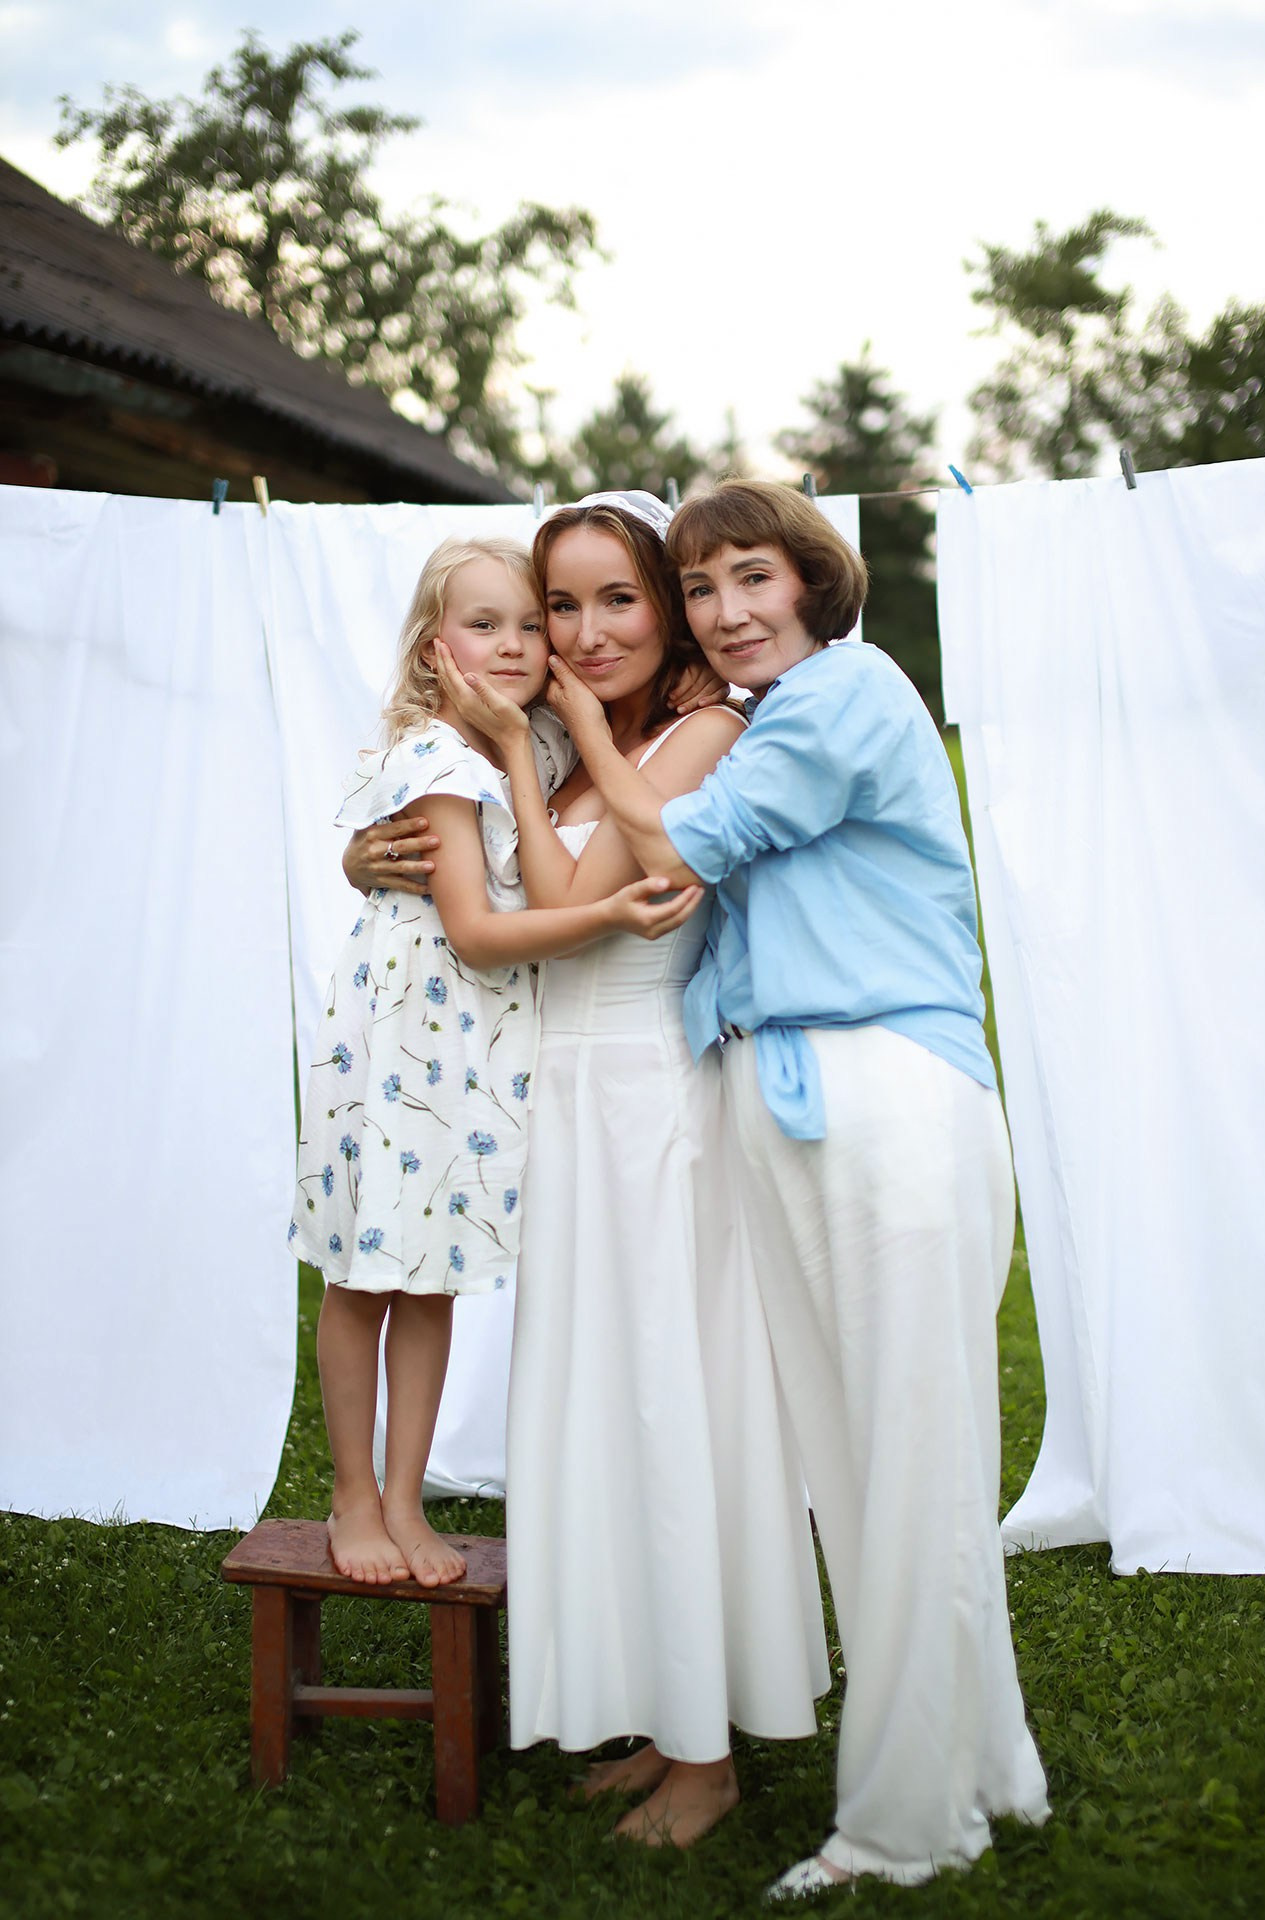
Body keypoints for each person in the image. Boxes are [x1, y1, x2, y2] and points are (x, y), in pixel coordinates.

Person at [545, 480, 1050, 1896]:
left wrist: (586, 726)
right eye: (702, 590)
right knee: (868, 1471)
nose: (727, 612)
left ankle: (902, 1828)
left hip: (884, 1085)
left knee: (909, 1467)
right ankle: (987, 1765)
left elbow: (675, 848)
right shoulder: (775, 716)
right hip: (791, 1093)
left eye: (750, 579)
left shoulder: (844, 692)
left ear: (813, 582)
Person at [347, 494, 829, 1847]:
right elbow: (466, 886)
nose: (583, 630)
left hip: (643, 1109)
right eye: (562, 605)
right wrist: (368, 849)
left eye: (618, 599)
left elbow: (555, 914)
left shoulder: (699, 731)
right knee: (603, 1414)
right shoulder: (583, 741)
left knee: (672, 1408)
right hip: (562, 1106)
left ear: (665, 609)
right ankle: (647, 1705)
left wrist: (510, 745)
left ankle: (710, 1755)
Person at [291, 536, 701, 1591]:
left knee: (427, 1283)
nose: (517, 643)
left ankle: (405, 1496)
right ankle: (350, 1493)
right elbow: (472, 930)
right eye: (485, 625)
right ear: (437, 649)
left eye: (531, 623)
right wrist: (608, 914)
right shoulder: (440, 760)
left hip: (462, 1053)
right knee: (364, 1277)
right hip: (400, 1051)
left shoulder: (533, 748)